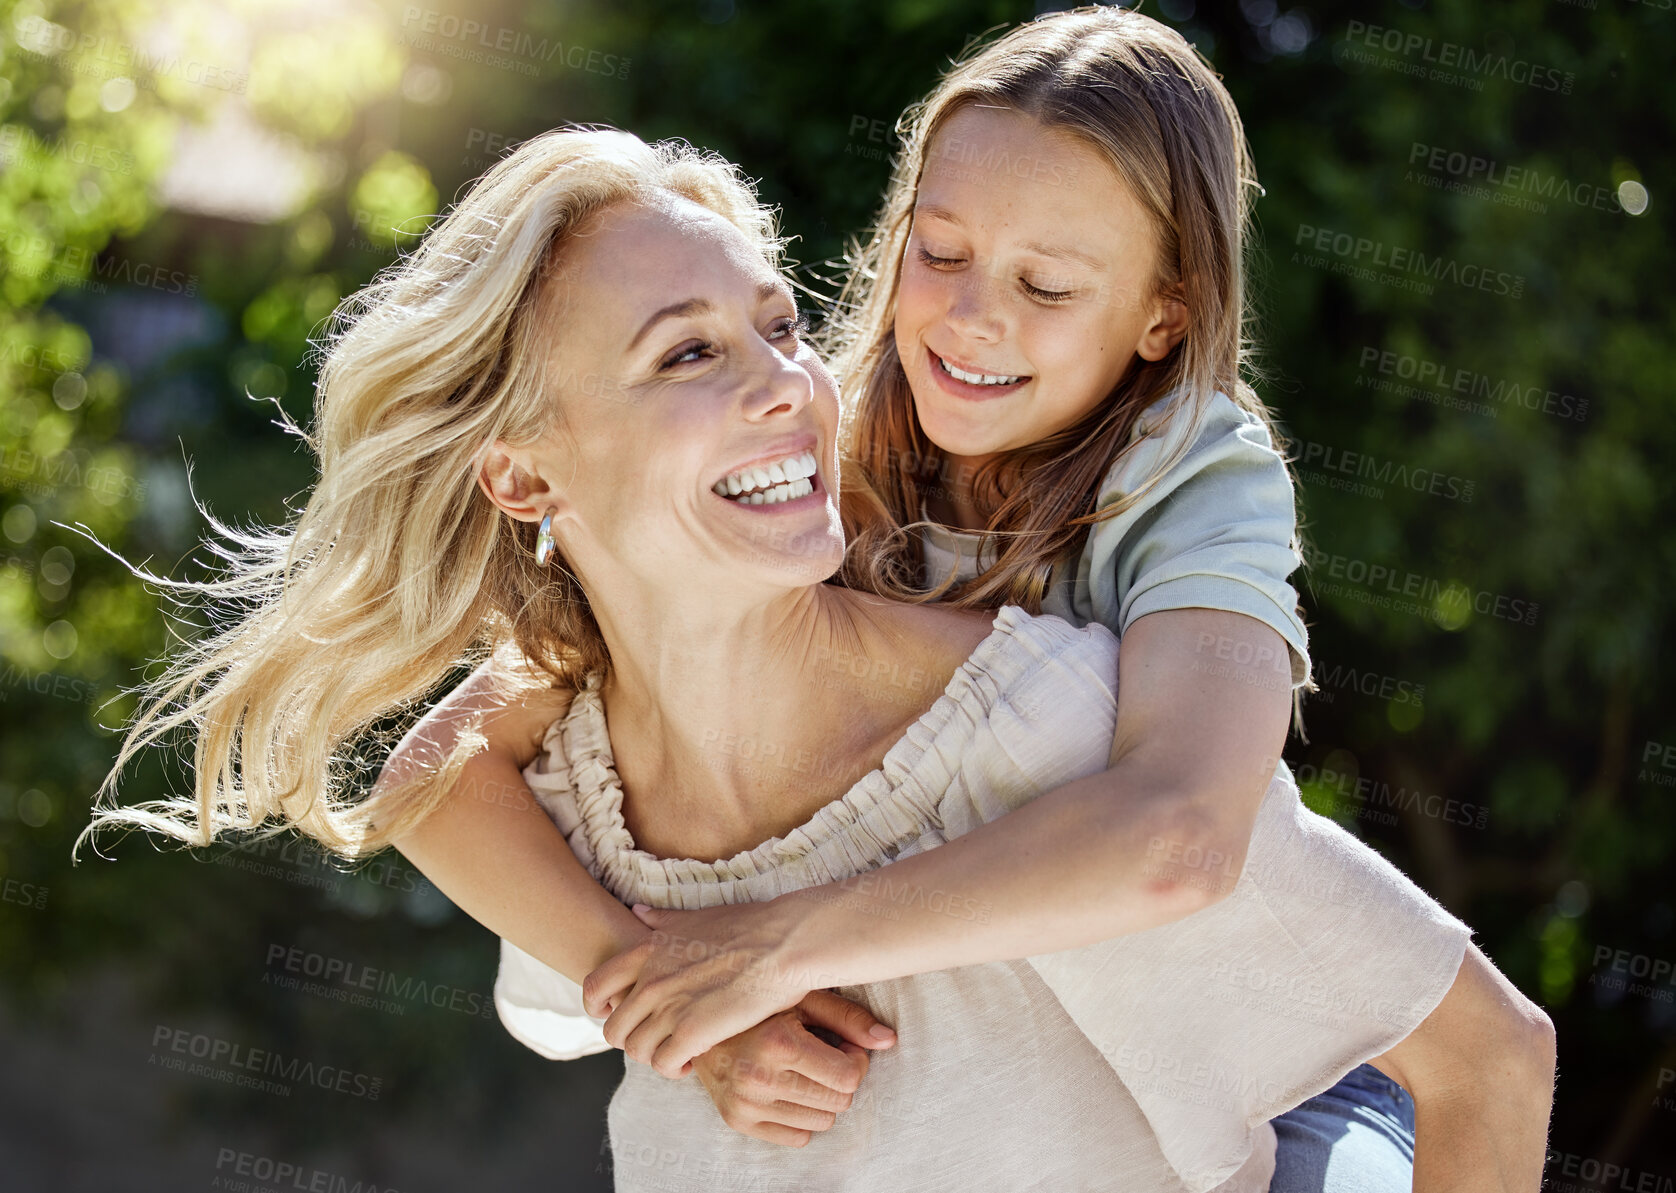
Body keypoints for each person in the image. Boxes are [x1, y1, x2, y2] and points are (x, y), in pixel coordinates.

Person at [369, 10, 1556, 1187]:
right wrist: (673, 985)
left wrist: (777, 949)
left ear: (1163, 316)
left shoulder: (1191, 477)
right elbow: (436, 771)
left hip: (1285, 1044)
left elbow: (1182, 837)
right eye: (937, 253)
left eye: (1045, 283)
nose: (973, 315)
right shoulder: (807, 442)